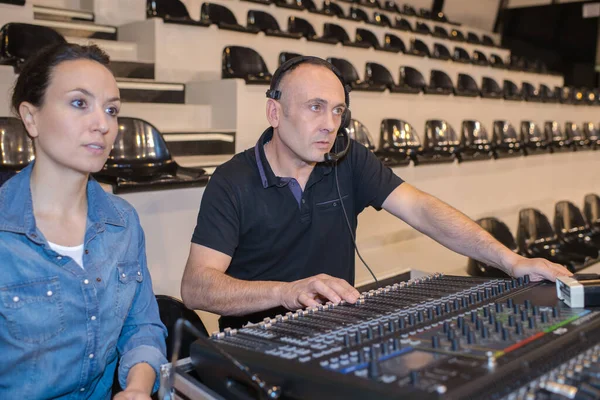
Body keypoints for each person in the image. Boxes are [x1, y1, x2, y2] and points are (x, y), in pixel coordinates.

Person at [181, 56, 571, 330]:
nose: (329, 124)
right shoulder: (232, 181)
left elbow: (422, 210)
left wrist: (511, 261)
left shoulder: (349, 161)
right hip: (255, 347)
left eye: (338, 111)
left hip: (338, 330)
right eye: (315, 107)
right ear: (274, 113)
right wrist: (286, 292)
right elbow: (197, 286)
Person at [0, 43, 167, 399]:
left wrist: (138, 387)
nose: (102, 124)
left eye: (112, 110)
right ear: (31, 118)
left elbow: (142, 327)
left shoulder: (124, 222)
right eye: (80, 103)